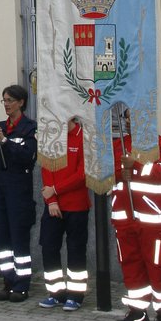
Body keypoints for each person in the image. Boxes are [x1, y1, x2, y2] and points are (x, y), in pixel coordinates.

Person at [110, 108, 161, 321]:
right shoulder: (120, 144)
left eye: (136, 118)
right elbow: (109, 173)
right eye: (128, 119)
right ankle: (138, 312)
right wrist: (122, 168)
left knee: (158, 268)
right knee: (131, 265)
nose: (131, 123)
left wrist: (135, 166)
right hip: (125, 218)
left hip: (154, 221)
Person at [0, 83, 37, 302]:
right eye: (3, 100)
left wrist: (4, 141)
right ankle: (8, 280)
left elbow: (27, 156)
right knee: (2, 239)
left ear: (21, 102)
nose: (6, 105)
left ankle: (22, 284)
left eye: (10, 101)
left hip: (19, 188)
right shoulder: (0, 125)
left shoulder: (30, 128)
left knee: (18, 237)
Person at [38, 117, 91, 310]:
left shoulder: (83, 137)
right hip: (53, 205)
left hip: (76, 205)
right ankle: (55, 292)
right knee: (49, 247)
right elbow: (46, 167)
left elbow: (82, 173)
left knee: (76, 250)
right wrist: (51, 200)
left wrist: (56, 190)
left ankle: (75, 296)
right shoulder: (51, 134)